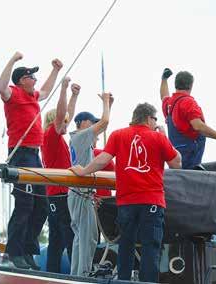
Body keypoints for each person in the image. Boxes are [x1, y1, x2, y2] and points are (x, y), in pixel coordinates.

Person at [70, 102, 182, 282]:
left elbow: (102, 160)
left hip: (126, 202)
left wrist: (83, 171)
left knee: (126, 245)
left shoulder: (118, 135)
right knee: (150, 247)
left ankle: (123, 280)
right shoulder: (158, 138)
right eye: (155, 119)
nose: (155, 122)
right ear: (148, 118)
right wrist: (164, 136)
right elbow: (177, 163)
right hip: (151, 201)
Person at [0, 51, 63, 270]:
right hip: (21, 153)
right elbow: (1, 86)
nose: (35, 80)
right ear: (21, 81)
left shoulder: (33, 96)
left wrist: (56, 70)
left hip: (35, 155)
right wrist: (12, 60)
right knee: (25, 203)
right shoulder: (13, 94)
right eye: (30, 77)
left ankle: (28, 250)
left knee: (41, 205)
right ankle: (15, 251)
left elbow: (46, 89)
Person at [68, 92, 113, 276]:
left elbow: (102, 124)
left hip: (79, 195)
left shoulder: (82, 141)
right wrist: (106, 103)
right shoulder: (80, 137)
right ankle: (83, 275)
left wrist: (109, 106)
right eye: (90, 122)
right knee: (88, 238)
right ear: (81, 124)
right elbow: (105, 123)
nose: (94, 126)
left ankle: (77, 274)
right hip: (81, 194)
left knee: (82, 238)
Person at [41, 77, 80, 273]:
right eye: (62, 121)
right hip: (59, 193)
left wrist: (74, 96)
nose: (67, 124)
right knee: (67, 235)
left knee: (57, 239)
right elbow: (62, 114)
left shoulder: (55, 139)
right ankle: (74, 274)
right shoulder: (50, 136)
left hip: (56, 194)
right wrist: (64, 89)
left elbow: (67, 115)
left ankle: (53, 274)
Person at [160, 68, 216, 169]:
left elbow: (164, 96)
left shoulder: (169, 103)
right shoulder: (188, 102)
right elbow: (198, 126)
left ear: (176, 84)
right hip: (189, 153)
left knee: (180, 178)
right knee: (191, 178)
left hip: (175, 153)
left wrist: (164, 79)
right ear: (191, 85)